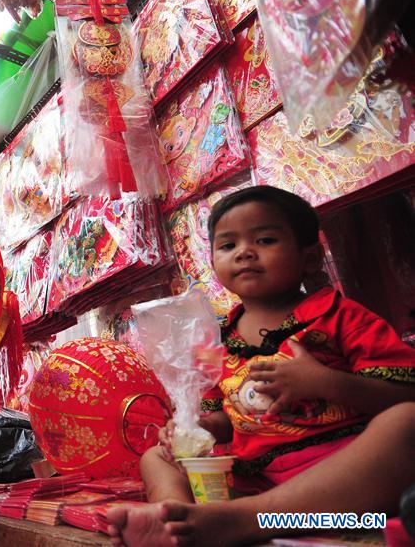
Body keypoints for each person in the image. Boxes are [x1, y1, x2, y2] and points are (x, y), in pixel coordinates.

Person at [108, 185, 415, 546]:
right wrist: (194, 429)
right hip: (256, 479)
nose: (244, 253)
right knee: (155, 457)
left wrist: (326, 382)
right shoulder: (213, 341)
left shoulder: (341, 316)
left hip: (343, 481)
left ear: (311, 258)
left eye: (265, 240)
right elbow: (221, 419)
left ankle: (238, 522)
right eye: (227, 245)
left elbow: (404, 392)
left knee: (406, 421)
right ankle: (174, 519)